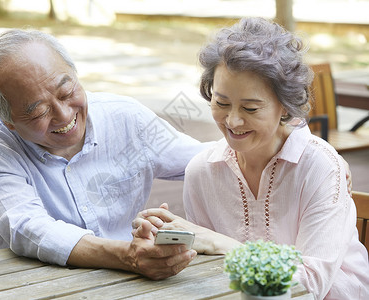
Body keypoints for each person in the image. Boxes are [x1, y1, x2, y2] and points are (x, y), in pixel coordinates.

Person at [137, 17, 369, 298]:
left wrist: (220, 243)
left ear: (285, 107)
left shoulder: (320, 167)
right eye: (221, 103)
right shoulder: (202, 171)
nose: (233, 121)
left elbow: (310, 285)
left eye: (250, 108)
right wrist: (168, 247)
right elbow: (206, 269)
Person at [0, 29, 208, 280]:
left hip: (130, 284)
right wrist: (127, 255)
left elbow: (207, 162)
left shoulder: (125, 118)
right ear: (8, 122)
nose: (65, 115)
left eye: (67, 93)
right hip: (34, 284)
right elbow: (27, 226)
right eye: (39, 113)